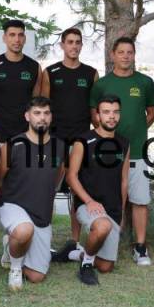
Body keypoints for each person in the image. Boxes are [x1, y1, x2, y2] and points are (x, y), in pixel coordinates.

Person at [85, 36, 154, 265]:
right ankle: (105, 239)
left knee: (140, 200)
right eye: (121, 52)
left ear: (134, 55)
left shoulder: (145, 82)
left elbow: (152, 113)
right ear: (112, 55)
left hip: (137, 152)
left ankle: (140, 247)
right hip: (108, 156)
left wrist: (135, 131)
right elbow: (94, 116)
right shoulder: (102, 84)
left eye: (130, 52)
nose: (126, 56)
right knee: (109, 198)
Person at [0, 19, 41, 262]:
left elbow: (36, 105)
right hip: (0, 136)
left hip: (25, 139)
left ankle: (18, 236)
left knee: (21, 186)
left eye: (20, 35)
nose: (16, 39)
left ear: (24, 38)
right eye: (12, 34)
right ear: (4, 37)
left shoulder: (34, 67)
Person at [41, 27, 98, 263]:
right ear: (62, 45)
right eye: (70, 42)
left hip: (80, 142)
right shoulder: (50, 72)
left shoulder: (91, 73)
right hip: (55, 140)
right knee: (48, 190)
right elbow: (43, 108)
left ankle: (74, 242)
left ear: (81, 46)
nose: (74, 46)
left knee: (76, 191)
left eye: (77, 42)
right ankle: (44, 241)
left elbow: (94, 110)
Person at [0, 97, 66, 290]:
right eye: (37, 113)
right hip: (12, 206)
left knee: (37, 276)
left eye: (46, 113)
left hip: (41, 214)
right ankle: (15, 268)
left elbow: (56, 179)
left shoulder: (60, 146)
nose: (42, 118)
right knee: (23, 230)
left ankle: (11, 246)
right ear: (27, 116)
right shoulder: (13, 145)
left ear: (51, 117)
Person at [67, 96, 130, 286]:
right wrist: (89, 201)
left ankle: (79, 254)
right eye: (106, 112)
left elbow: (124, 180)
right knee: (102, 226)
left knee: (105, 267)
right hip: (89, 206)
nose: (112, 116)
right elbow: (71, 177)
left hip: (112, 209)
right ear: (97, 115)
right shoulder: (83, 141)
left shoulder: (124, 143)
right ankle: (86, 264)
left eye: (115, 112)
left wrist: (122, 212)